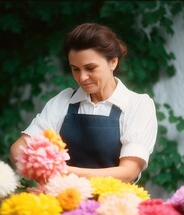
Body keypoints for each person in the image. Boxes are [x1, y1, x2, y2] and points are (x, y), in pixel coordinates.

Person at [10, 23, 157, 183]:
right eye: (75, 69)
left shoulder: (137, 105)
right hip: (63, 202)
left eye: (90, 68)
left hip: (114, 205)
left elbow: (128, 172)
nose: (82, 78)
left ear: (113, 62)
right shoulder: (63, 101)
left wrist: (60, 173)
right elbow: (19, 148)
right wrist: (41, 175)